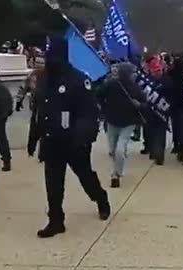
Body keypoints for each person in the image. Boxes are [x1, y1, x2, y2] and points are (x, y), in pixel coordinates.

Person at [35, 37, 111, 238]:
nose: (48, 59)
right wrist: (34, 137)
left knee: (85, 177)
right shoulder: (44, 80)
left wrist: (82, 137)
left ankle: (101, 198)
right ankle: (55, 220)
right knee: (53, 184)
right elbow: (41, 110)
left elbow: (88, 113)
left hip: (74, 142)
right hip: (52, 140)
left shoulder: (78, 79)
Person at [97, 62, 146, 188]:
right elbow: (98, 95)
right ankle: (118, 169)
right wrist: (104, 108)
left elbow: (144, 102)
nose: (134, 75)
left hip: (128, 123)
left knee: (120, 149)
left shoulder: (135, 88)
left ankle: (116, 173)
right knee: (113, 149)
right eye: (132, 72)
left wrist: (139, 105)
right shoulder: (111, 85)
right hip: (112, 121)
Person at [140, 56, 174, 165]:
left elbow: (171, 96)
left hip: (162, 111)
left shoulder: (167, 81)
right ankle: (152, 151)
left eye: (158, 70)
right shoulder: (148, 81)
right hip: (149, 111)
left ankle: (159, 155)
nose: (156, 73)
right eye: (155, 71)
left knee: (160, 133)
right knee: (150, 132)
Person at [16, 58, 45, 161]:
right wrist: (19, 101)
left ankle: (40, 154)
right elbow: (24, 88)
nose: (39, 65)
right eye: (37, 63)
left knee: (42, 131)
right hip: (36, 106)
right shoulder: (32, 75)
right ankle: (32, 150)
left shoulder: (49, 75)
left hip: (45, 106)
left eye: (41, 63)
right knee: (35, 129)